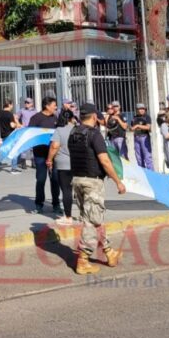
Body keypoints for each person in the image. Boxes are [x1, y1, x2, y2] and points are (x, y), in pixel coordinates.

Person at [67, 102, 126, 275]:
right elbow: (105, 161)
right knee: (92, 221)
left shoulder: (73, 132)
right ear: (94, 116)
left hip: (77, 180)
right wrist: (118, 182)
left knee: (94, 218)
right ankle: (83, 260)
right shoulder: (94, 134)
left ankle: (109, 252)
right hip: (92, 182)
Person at [29, 97, 61, 215]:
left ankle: (56, 204)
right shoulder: (36, 118)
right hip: (40, 154)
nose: (55, 107)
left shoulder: (55, 118)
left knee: (55, 180)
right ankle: (39, 205)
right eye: (54, 105)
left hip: (53, 154)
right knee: (41, 179)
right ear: (47, 106)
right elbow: (31, 134)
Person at [46, 108, 75, 226]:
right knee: (79, 190)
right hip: (78, 163)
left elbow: (54, 146)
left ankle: (68, 216)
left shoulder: (59, 130)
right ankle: (84, 214)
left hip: (63, 164)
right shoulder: (77, 129)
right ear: (72, 118)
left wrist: (49, 159)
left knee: (66, 190)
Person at [0, 99, 20, 174]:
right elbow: (12, 125)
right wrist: (16, 122)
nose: (12, 106)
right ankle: (14, 168)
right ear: (9, 105)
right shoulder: (10, 114)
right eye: (12, 105)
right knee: (15, 151)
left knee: (5, 150)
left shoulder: (0, 113)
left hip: (3, 134)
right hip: (10, 134)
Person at [130, 103, 153, 170]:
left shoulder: (147, 117)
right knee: (139, 157)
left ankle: (151, 172)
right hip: (136, 137)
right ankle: (142, 172)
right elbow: (132, 127)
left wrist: (138, 126)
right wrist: (131, 128)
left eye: (143, 109)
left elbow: (148, 127)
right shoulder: (134, 118)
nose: (142, 110)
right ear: (137, 110)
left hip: (144, 137)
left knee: (147, 157)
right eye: (140, 109)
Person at [17, 98, 37, 169]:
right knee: (24, 146)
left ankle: (33, 162)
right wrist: (19, 125)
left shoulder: (35, 111)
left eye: (28, 102)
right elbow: (15, 117)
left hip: (32, 130)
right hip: (24, 130)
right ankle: (23, 162)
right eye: (25, 102)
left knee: (32, 147)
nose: (26, 104)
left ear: (32, 103)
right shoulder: (22, 110)